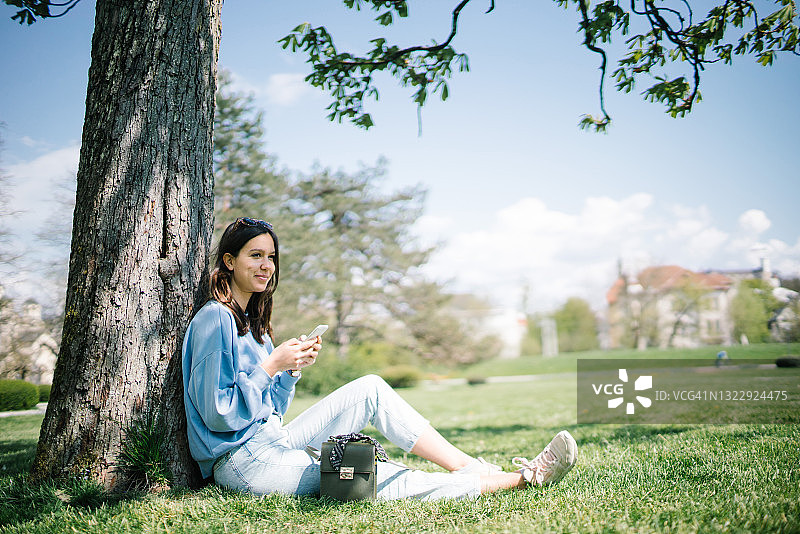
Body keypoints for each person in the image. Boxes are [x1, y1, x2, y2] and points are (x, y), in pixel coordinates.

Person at [182, 217, 577, 500]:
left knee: (370, 388)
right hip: (241, 461)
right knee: (366, 473)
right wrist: (271, 365)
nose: (266, 266)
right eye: (255, 255)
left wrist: (288, 372)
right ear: (229, 262)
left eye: (271, 256)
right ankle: (521, 479)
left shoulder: (253, 323)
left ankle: (466, 466)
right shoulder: (215, 319)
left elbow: (272, 411)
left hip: (274, 440)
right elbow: (219, 415)